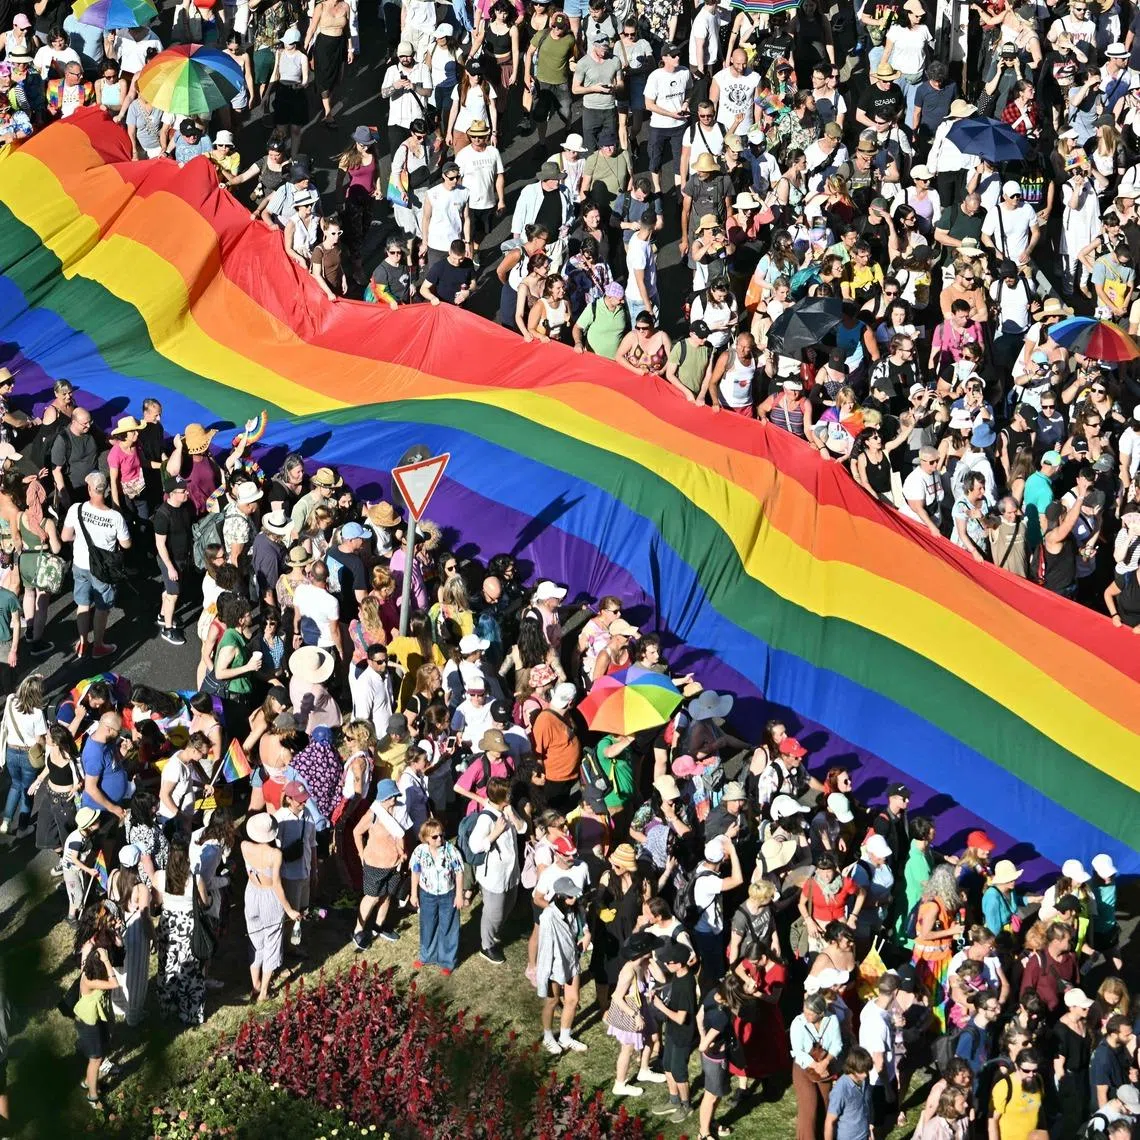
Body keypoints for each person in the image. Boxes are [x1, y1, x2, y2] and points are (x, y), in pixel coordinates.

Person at [468, 776, 527, 963]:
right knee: (494, 913)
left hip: (510, 872)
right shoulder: (486, 818)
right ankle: (486, 946)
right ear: (502, 797)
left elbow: (523, 829)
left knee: (508, 905)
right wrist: (494, 834)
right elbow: (475, 846)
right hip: (494, 875)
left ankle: (493, 934)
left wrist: (513, 815)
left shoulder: (506, 811)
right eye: (508, 793)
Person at [351, 779, 408, 948]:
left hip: (394, 864)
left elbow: (400, 836)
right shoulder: (373, 814)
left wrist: (402, 853)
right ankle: (358, 931)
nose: (394, 800)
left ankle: (379, 926)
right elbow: (357, 832)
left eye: (395, 796)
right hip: (375, 864)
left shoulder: (398, 811)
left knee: (387, 895)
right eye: (391, 797)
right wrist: (361, 854)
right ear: (383, 798)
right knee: (373, 897)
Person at [409, 817, 464, 974]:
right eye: (434, 837)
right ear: (426, 838)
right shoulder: (419, 852)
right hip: (427, 895)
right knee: (428, 925)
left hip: (448, 895)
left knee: (448, 927)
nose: (439, 838)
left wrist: (459, 895)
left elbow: (459, 872)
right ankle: (427, 956)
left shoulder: (450, 850)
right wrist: (414, 894)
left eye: (441, 835)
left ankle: (447, 961)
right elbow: (416, 871)